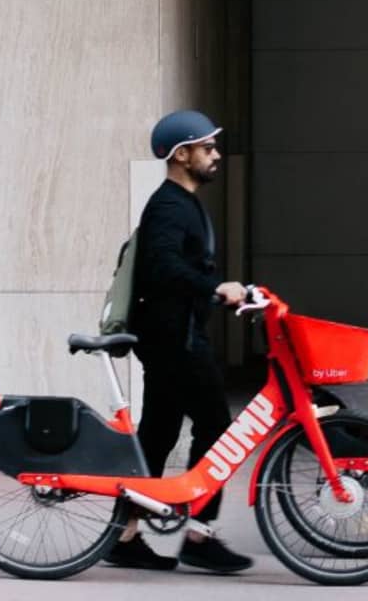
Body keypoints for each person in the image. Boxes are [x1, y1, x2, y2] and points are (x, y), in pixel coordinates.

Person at [102, 110, 252, 572]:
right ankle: (199, 534)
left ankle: (123, 536)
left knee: (160, 432)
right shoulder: (169, 205)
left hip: (173, 336)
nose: (216, 155)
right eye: (207, 148)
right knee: (217, 428)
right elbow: (162, 267)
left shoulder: (181, 203)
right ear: (180, 154)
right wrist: (214, 288)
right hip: (174, 341)